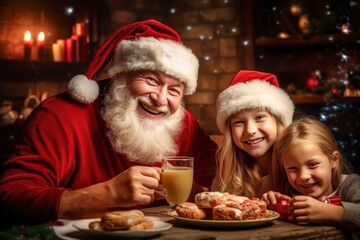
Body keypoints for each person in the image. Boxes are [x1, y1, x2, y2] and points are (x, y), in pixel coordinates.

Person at [0, 19, 217, 225]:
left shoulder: (181, 122)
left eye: (174, 90)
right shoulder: (59, 114)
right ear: (119, 76)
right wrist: (106, 195)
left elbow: (219, 182)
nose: (160, 99)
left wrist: (191, 190)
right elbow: (10, 195)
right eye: (151, 80)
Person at [262, 117, 360, 237]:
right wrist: (273, 207)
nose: (303, 176)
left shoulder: (351, 184)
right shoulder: (288, 192)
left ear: (334, 160)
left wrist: (331, 212)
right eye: (292, 168)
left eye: (312, 164)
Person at [211, 70, 295, 197]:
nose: (250, 130)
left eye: (259, 117)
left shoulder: (299, 161)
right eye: (239, 122)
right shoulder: (227, 171)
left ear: (278, 121)